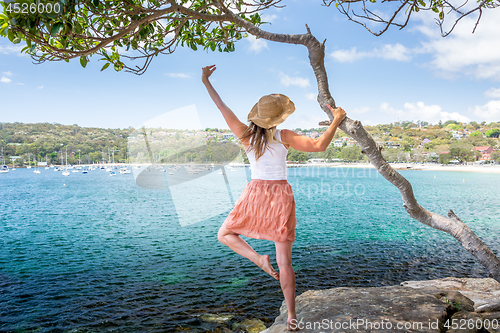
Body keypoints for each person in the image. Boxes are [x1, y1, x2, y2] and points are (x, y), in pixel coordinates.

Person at [201, 65, 346, 330]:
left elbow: (222, 108)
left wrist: (205, 81)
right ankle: (291, 315)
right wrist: (336, 119)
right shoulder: (284, 136)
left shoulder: (246, 136)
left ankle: (258, 260)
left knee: (224, 234)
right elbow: (319, 146)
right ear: (278, 119)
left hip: (254, 192)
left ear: (256, 117)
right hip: (279, 194)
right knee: (285, 263)